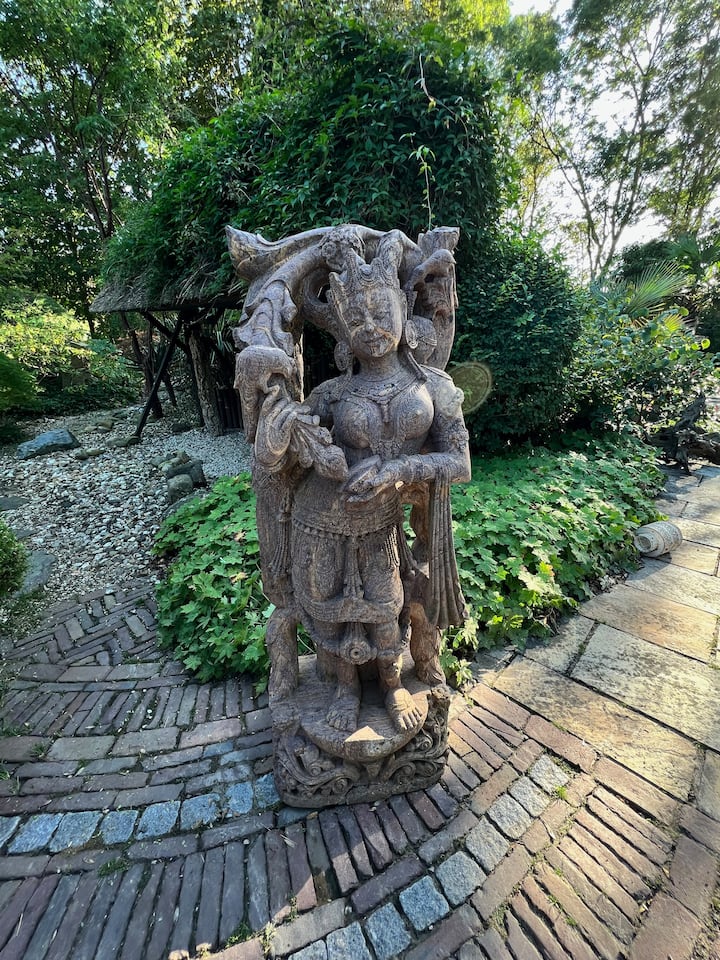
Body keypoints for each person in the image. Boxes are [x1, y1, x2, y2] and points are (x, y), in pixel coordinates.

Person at [251, 230, 471, 734]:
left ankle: (392, 684)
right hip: (322, 518)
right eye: (356, 318)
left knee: (386, 603)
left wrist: (399, 471)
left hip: (382, 521)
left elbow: (459, 464)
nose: (369, 327)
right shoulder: (333, 393)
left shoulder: (433, 387)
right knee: (328, 606)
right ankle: (345, 688)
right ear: (343, 331)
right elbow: (279, 456)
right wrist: (277, 428)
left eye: (380, 312)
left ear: (403, 310)